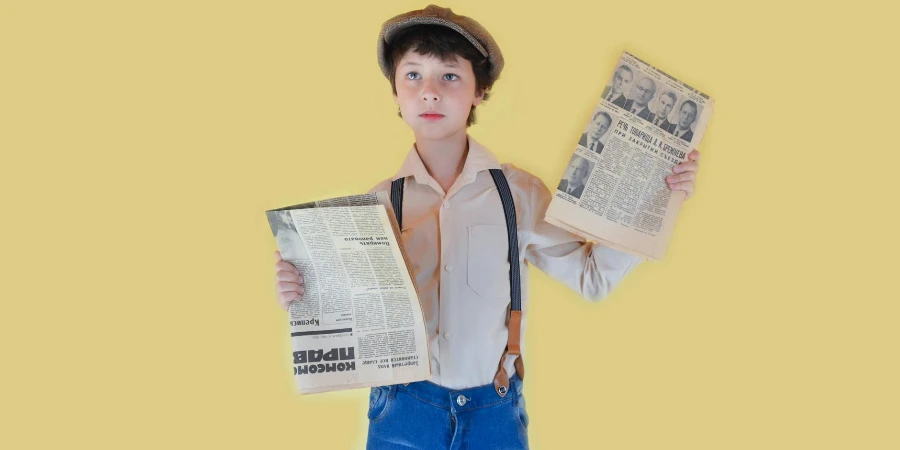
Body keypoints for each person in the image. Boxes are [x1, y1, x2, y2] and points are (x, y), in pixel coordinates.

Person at [273, 5, 702, 449]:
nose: (430, 93)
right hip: (402, 411)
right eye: (413, 76)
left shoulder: (517, 194)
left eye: (450, 76)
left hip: (494, 410)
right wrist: (300, 291)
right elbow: (351, 321)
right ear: (396, 93)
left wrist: (657, 199)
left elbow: (591, 277)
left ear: (479, 91)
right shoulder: (378, 205)